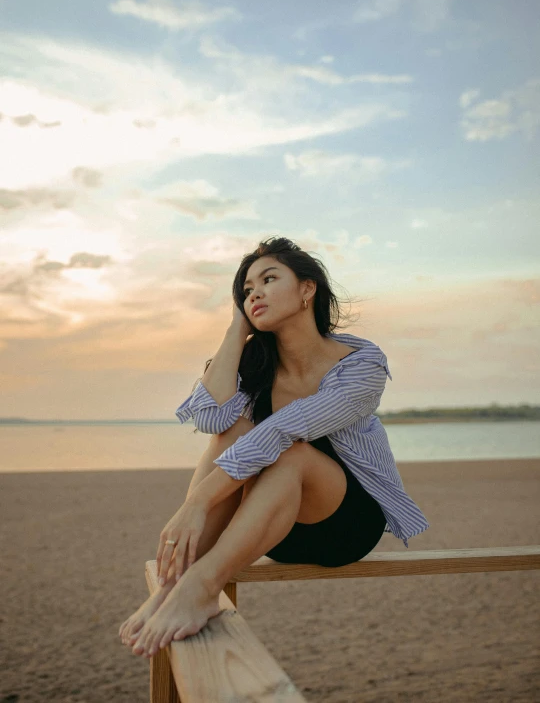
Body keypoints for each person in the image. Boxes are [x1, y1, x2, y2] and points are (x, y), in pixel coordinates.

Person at [118, 236, 429, 657]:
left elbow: (285, 430)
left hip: (346, 524)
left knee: (292, 452)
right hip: (271, 529)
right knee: (231, 429)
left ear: (307, 288)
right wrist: (235, 331)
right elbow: (211, 420)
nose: (255, 293)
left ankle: (202, 587)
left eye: (268, 279)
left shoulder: (361, 365)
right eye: (246, 291)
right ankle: (178, 584)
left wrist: (195, 505)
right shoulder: (257, 364)